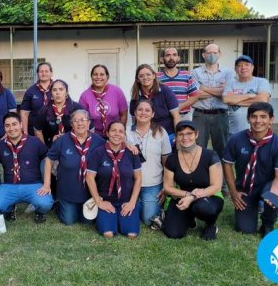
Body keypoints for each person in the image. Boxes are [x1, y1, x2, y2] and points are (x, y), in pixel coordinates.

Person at [222, 102, 278, 237]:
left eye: (263, 117)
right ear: (248, 119)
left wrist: (274, 190)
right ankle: (253, 207)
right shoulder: (236, 139)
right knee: (245, 228)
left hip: (267, 186)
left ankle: (267, 224)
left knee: (273, 197)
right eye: (254, 116)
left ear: (271, 119)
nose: (258, 121)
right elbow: (226, 164)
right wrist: (234, 191)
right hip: (245, 189)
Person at [0, 112, 54, 224]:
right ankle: (10, 208)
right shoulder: (1, 145)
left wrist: (46, 184)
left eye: (14, 124)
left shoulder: (34, 141)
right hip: (9, 186)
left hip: (33, 184)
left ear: (21, 125)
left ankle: (39, 212)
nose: (11, 128)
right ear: (5, 128)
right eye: (7, 125)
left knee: (45, 203)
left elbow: (48, 159)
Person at [162, 121, 224, 240]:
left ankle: (210, 225)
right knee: (173, 233)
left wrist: (192, 197)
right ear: (177, 137)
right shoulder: (172, 159)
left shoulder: (210, 155)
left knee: (202, 208)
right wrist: (187, 195)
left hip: (209, 196)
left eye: (189, 133)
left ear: (196, 134)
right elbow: (167, 187)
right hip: (182, 197)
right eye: (181, 134)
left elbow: (216, 186)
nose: (185, 138)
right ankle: (189, 218)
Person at [45, 109, 105, 225]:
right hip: (68, 191)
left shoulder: (99, 142)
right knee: (69, 221)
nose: (80, 123)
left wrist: (127, 144)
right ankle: (59, 203)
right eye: (76, 121)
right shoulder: (62, 140)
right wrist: (47, 184)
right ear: (71, 124)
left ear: (88, 123)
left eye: (83, 120)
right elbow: (49, 160)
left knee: (86, 222)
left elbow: (114, 148)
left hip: (90, 192)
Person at [86, 121, 142, 238]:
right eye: (113, 130)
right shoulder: (98, 152)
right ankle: (109, 219)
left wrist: (132, 202)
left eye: (121, 131)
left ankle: (127, 216)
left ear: (124, 135)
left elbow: (138, 178)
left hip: (126, 200)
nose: (117, 134)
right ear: (107, 133)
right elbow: (90, 178)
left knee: (131, 234)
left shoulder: (132, 152)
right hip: (106, 200)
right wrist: (99, 202)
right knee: (108, 234)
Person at [126, 99, 172, 228]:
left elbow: (166, 162)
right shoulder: (126, 131)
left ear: (152, 114)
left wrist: (166, 186)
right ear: (134, 112)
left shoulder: (161, 132)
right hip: (129, 183)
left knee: (147, 220)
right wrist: (125, 143)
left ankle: (145, 204)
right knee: (126, 215)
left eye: (147, 110)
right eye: (140, 109)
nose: (143, 113)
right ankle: (139, 203)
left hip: (152, 184)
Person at [191, 43, 234, 160]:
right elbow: (195, 94)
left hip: (220, 115)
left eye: (215, 52)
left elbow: (228, 94)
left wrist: (203, 87)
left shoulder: (228, 72)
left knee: (222, 150)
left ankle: (223, 178)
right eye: (209, 53)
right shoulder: (195, 72)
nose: (212, 55)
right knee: (197, 149)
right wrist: (220, 90)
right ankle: (201, 177)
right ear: (203, 55)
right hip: (200, 115)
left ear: (219, 54)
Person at [130, 64, 180, 142]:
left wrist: (178, 135)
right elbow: (135, 121)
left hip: (168, 135)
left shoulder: (165, 91)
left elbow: (176, 117)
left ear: (154, 76)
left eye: (148, 74)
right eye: (141, 76)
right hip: (146, 138)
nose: (145, 78)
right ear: (137, 79)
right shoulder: (135, 96)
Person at [223, 55, 271, 135]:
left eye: (246, 65)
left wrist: (235, 101)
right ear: (235, 69)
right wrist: (249, 96)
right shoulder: (231, 84)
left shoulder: (261, 81)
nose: (243, 67)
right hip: (234, 132)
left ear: (252, 67)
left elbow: (263, 100)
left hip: (258, 131)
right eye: (239, 65)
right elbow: (226, 99)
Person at [79, 64, 128, 137]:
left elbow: (124, 114)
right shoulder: (85, 95)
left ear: (107, 76)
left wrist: (120, 132)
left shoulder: (117, 91)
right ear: (91, 77)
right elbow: (81, 118)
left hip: (114, 135)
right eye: (95, 74)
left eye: (102, 74)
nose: (98, 77)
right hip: (94, 136)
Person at [34, 79, 83, 147]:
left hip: (75, 146)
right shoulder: (44, 110)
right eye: (54, 90)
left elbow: (86, 128)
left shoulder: (77, 108)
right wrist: (45, 149)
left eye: (61, 89)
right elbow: (38, 131)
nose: (58, 92)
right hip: (51, 147)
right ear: (51, 93)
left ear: (66, 93)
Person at [157, 48, 199, 122]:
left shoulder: (186, 75)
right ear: (161, 59)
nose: (171, 58)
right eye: (168, 55)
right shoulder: (156, 77)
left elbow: (194, 96)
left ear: (178, 58)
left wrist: (177, 108)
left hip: (183, 117)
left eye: (174, 55)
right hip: (163, 118)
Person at [21, 62, 53, 135]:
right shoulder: (30, 91)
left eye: (46, 71)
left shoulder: (58, 88)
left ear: (51, 73)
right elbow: (24, 113)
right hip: (34, 131)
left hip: (55, 130)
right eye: (41, 71)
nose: (44, 74)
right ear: (37, 74)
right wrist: (25, 133)